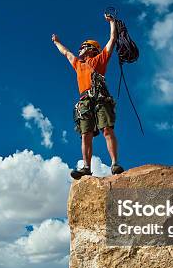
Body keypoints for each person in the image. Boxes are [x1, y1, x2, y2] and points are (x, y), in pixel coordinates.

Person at [52, 14, 124, 179]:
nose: (80, 49)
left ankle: (114, 164)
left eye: (84, 46)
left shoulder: (100, 59)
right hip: (85, 101)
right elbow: (66, 53)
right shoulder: (78, 64)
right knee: (86, 134)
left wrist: (112, 22)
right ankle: (86, 167)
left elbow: (112, 39)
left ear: (92, 49)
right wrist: (57, 42)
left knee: (107, 129)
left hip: (100, 98)